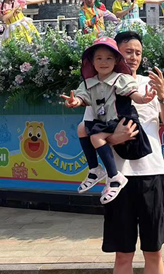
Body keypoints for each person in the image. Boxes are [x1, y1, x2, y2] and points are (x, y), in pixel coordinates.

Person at [95, 30, 164, 274]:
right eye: (127, 51)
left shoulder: (150, 85)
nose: (133, 56)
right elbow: (93, 135)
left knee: (154, 252)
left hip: (153, 176)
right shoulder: (103, 88)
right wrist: (113, 137)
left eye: (137, 52)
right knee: (122, 255)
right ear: (116, 54)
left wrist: (162, 95)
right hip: (120, 179)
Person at [63, 37, 156, 204]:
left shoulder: (120, 78)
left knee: (96, 137)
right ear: (92, 61)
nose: (103, 62)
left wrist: (144, 98)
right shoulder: (88, 83)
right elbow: (80, 98)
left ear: (116, 61)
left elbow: (134, 95)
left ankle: (114, 176)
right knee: (81, 128)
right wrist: (74, 102)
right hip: (105, 122)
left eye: (108, 58)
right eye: (99, 58)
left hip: (122, 120)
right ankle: (94, 169)